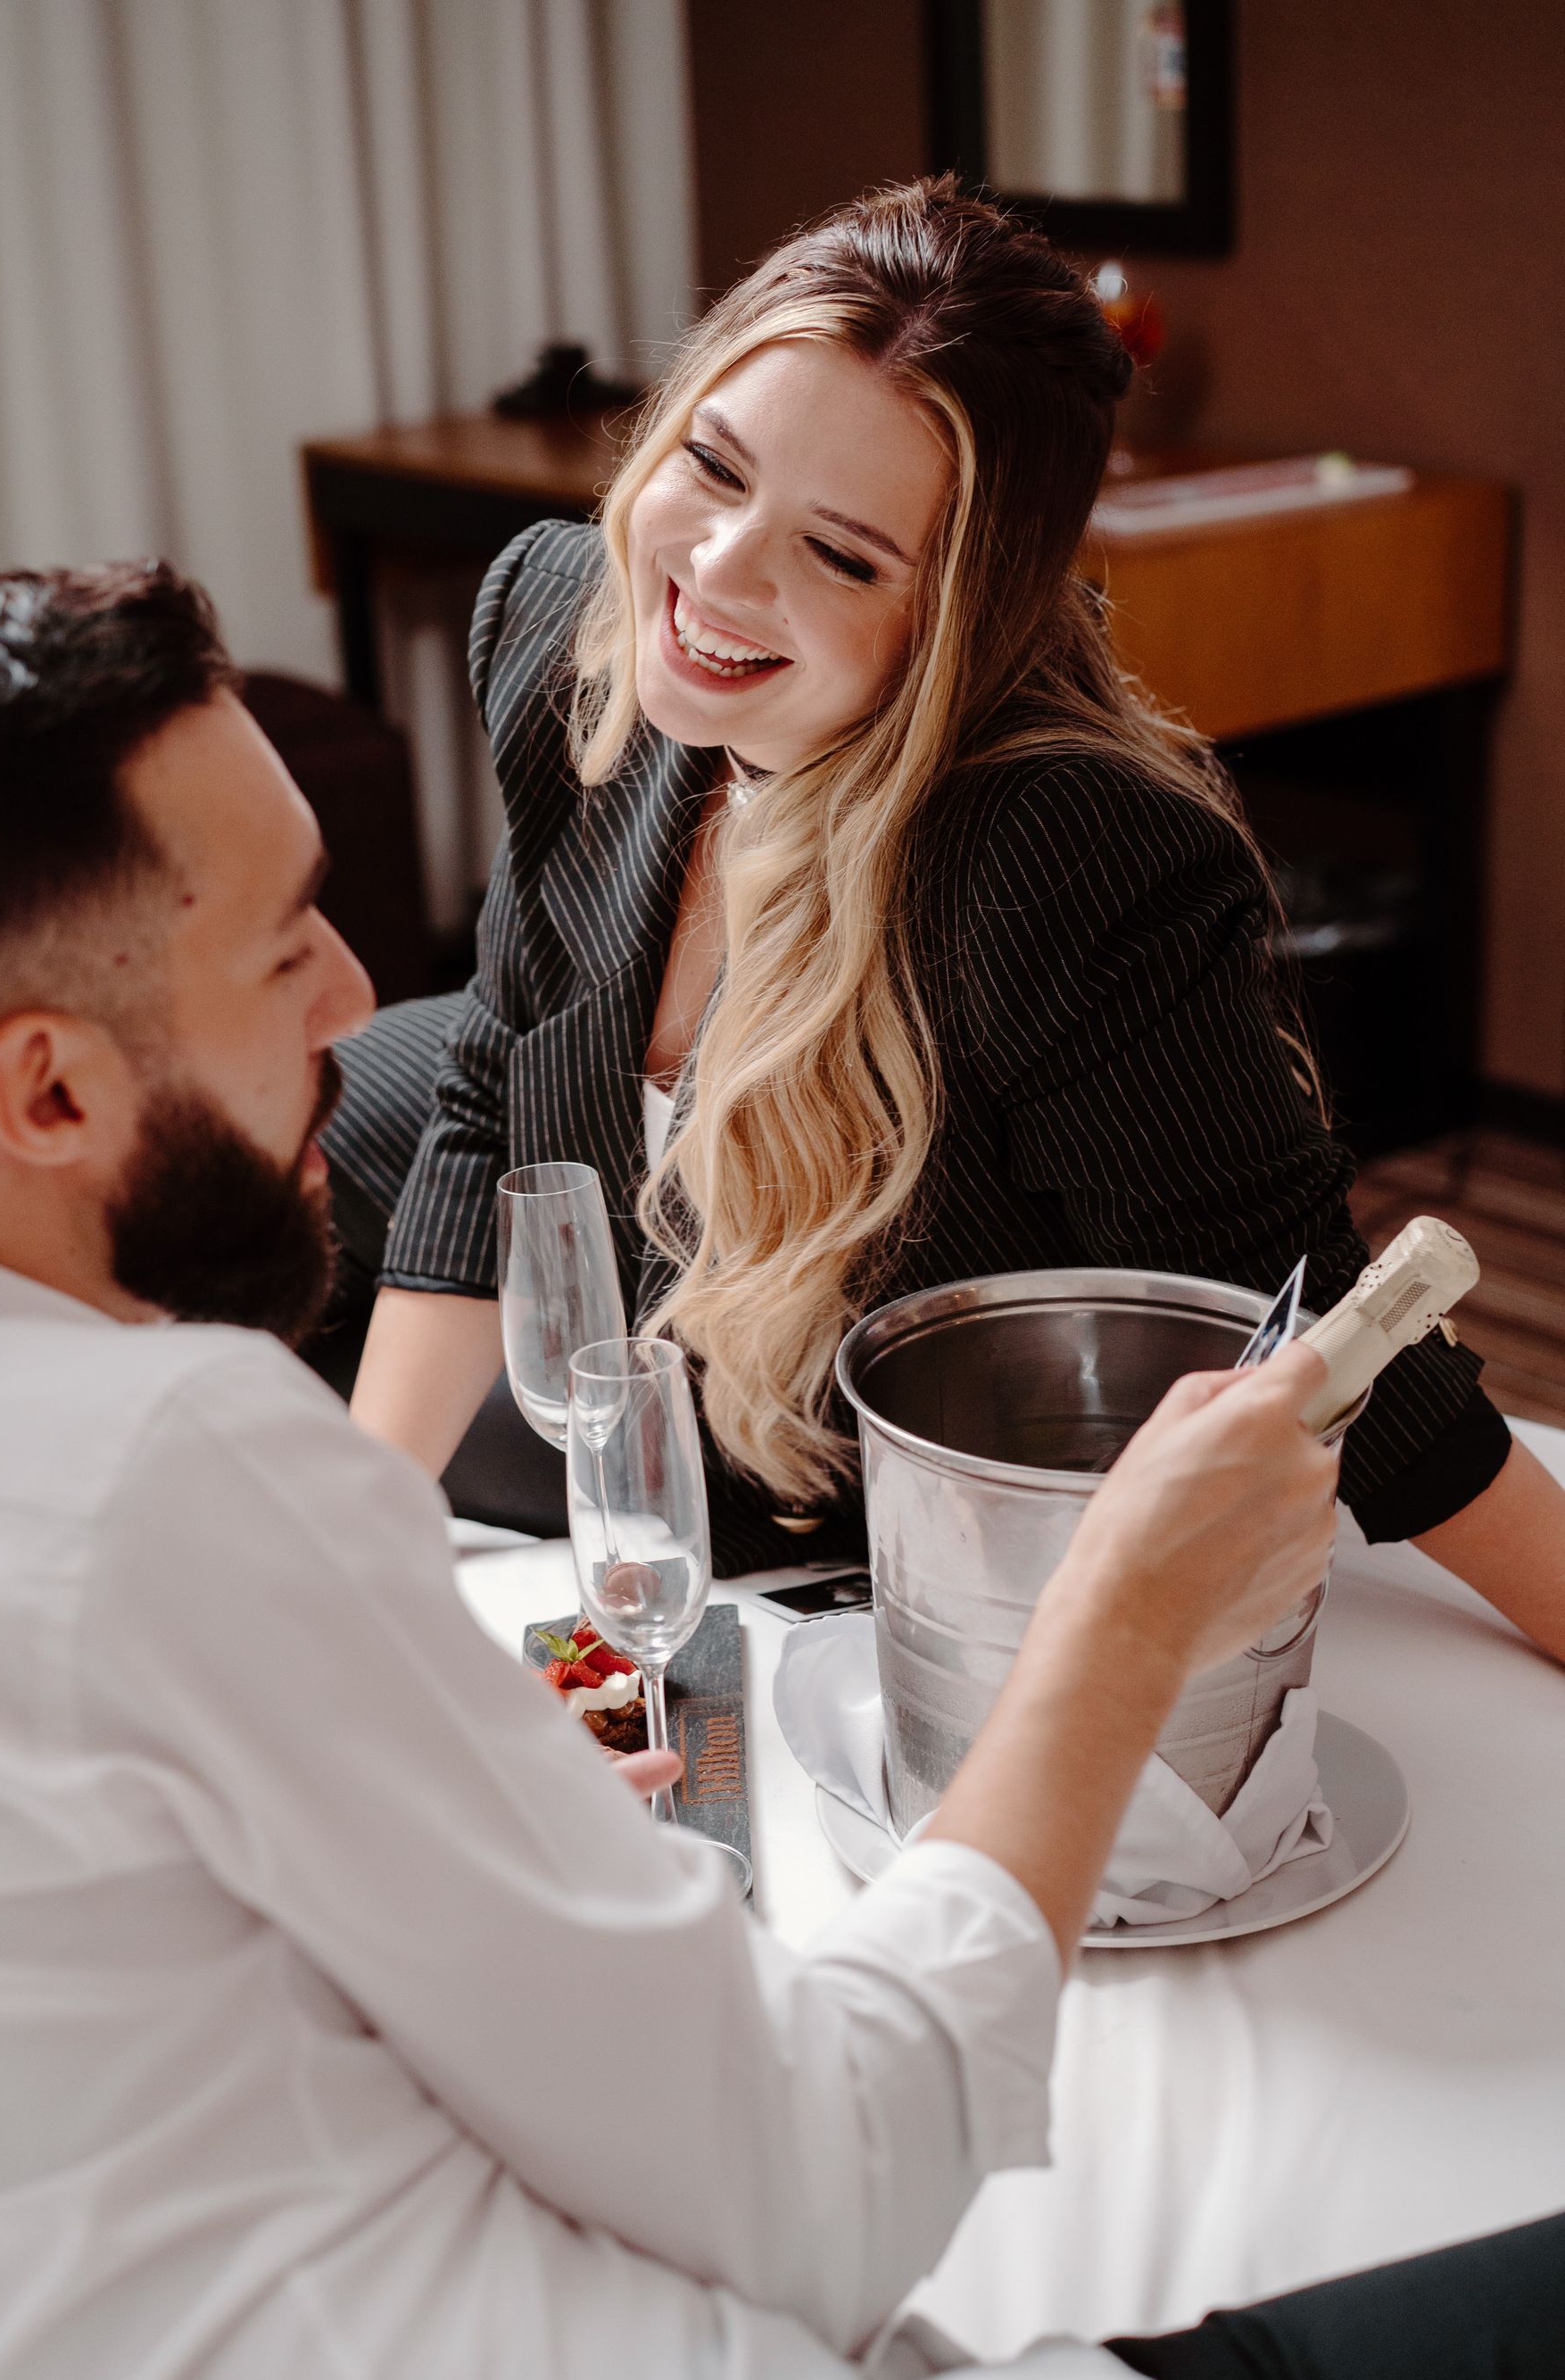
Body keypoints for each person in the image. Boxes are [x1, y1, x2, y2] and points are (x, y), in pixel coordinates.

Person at [0, 560, 1561, 2380]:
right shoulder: (162, 1466)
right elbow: (827, 2190)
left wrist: (449, 1817)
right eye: (284, 942)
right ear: (47, 1090)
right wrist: (1116, 1622)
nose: (351, 998)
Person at [325, 177, 1565, 1659]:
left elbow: (1296, 1327)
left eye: (843, 554)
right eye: (714, 465)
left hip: (801, 1430)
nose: (718, 570)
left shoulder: (1059, 858)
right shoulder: (562, 620)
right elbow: (493, 1089)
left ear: (955, 622)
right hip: (600, 1239)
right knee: (245, 1174)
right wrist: (359, 1548)